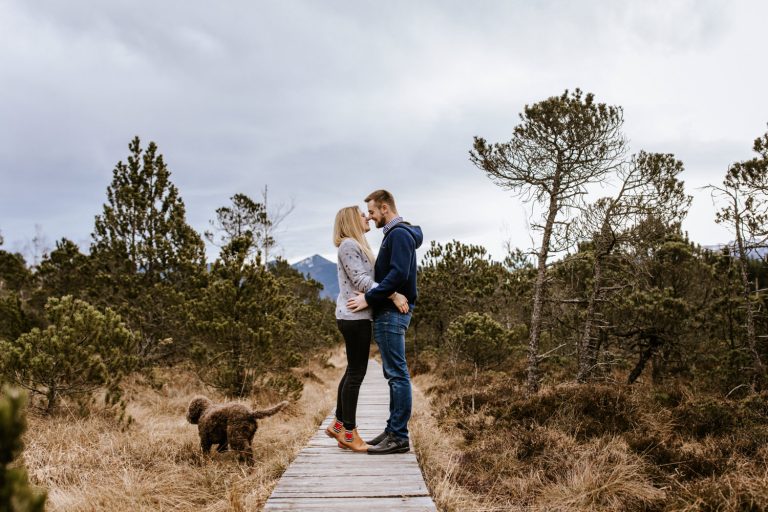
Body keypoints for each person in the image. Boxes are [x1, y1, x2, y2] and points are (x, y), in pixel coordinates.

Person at [326, 205, 409, 452]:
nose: (367, 218)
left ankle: (339, 425)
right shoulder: (349, 245)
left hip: (356, 316)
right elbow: (361, 280)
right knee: (356, 374)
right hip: (355, 317)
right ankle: (349, 432)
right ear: (351, 220)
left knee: (353, 370)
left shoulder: (354, 245)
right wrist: (392, 294)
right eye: (362, 215)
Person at [347, 190, 423, 455]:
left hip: (391, 312)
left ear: (384, 208)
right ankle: (392, 430)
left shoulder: (399, 234)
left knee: (397, 374)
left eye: (372, 211)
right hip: (389, 310)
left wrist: (370, 297)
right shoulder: (396, 234)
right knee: (393, 374)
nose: (369, 216)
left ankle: (399, 437)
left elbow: (398, 274)